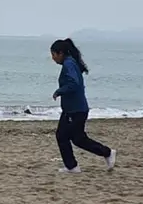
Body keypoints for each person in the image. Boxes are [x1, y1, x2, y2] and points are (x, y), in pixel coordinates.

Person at [50, 38, 116, 174]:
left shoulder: (69, 64)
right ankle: (73, 166)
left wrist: (59, 91)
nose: (53, 58)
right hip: (73, 109)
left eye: (54, 54)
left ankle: (106, 153)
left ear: (60, 53)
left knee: (73, 138)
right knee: (70, 137)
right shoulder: (71, 63)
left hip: (76, 110)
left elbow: (74, 84)